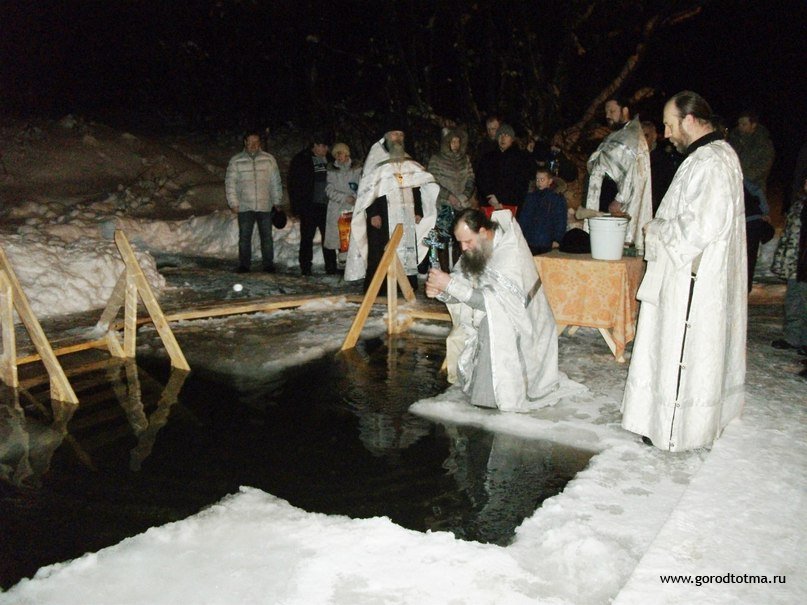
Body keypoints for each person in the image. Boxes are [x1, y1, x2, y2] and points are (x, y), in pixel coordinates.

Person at [621, 90, 746, 452]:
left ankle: (674, 428)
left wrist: (657, 230)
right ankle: (664, 422)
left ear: (690, 120)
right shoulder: (710, 156)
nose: (666, 133)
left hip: (693, 277)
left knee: (682, 352)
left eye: (670, 124)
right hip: (688, 272)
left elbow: (701, 226)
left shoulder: (711, 162)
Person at [425, 208, 559, 411]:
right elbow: (461, 284)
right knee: (489, 320)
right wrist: (441, 291)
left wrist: (449, 285)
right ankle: (482, 388)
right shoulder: (476, 249)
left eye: (467, 241)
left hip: (527, 324)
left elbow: (498, 303)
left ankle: (492, 397)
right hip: (492, 316)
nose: (463, 248)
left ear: (483, 232)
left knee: (493, 322)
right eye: (460, 242)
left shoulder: (510, 252)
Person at [344, 125, 439, 293]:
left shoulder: (408, 160)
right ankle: (381, 288)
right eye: (394, 134)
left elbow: (416, 186)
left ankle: (405, 285)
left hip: (406, 214)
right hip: (383, 214)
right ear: (386, 137)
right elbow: (369, 190)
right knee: (382, 250)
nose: (398, 138)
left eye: (400, 135)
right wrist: (373, 213)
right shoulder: (375, 161)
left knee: (407, 249)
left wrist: (418, 211)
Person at [583, 97, 652, 252]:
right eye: (606, 111)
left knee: (611, 245)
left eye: (612, 111)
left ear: (625, 111)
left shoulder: (632, 137)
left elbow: (633, 174)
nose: (608, 115)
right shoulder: (617, 134)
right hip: (602, 194)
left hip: (615, 198)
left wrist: (619, 199)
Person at [225, 129, 283, 273]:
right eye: (250, 142)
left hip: (265, 205)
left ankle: (268, 264)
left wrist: (277, 201)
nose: (253, 145)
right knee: (244, 238)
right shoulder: (236, 160)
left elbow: (275, 181)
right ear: (245, 142)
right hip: (245, 206)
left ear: (259, 143)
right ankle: (244, 265)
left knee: (267, 237)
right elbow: (230, 183)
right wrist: (233, 202)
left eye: (256, 142)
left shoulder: (269, 160)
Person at [427, 127, 476, 270]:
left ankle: (459, 270)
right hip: (444, 204)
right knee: (442, 239)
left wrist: (465, 195)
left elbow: (471, 178)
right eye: (452, 141)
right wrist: (449, 196)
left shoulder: (465, 159)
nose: (455, 144)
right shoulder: (436, 159)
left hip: (462, 204)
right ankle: (443, 270)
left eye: (458, 141)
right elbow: (432, 181)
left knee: (460, 239)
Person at [770, 177, 807, 361]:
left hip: (804, 264)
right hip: (795, 264)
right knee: (794, 299)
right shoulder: (799, 204)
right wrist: (783, 261)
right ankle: (793, 337)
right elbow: (790, 235)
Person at [288, 132, 334, 275]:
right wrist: (296, 206)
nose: (326, 149)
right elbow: (293, 184)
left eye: (327, 146)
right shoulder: (302, 159)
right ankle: (306, 267)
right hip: (309, 205)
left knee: (329, 237)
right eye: (323, 146)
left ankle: (331, 266)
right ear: (315, 145)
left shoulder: (330, 159)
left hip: (327, 205)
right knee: (307, 237)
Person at [475, 123, 535, 213]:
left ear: (512, 139)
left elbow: (521, 184)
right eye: (500, 135)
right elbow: (481, 179)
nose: (503, 138)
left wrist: (502, 200)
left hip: (511, 205)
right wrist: (489, 197)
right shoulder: (488, 157)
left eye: (506, 135)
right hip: (489, 204)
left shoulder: (520, 158)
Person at [324, 143, 362, 271]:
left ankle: (353, 267)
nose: (338, 156)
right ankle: (341, 266)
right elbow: (329, 190)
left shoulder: (357, 169)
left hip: (353, 208)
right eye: (336, 154)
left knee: (352, 239)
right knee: (340, 239)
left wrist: (355, 197)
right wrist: (344, 197)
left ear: (347, 153)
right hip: (337, 209)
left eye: (340, 153)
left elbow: (361, 186)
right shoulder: (332, 170)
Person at [518, 167, 567, 255]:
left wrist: (557, 239)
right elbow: (524, 217)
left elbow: (560, 219)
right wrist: (520, 234)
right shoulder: (531, 197)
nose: (539, 182)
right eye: (537, 180)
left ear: (550, 181)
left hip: (547, 240)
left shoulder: (556, 198)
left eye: (542, 180)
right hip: (530, 239)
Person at [728, 110, 775, 196]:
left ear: (753, 125)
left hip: (754, 187)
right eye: (739, 124)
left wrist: (742, 176)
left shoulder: (763, 143)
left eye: (744, 124)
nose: (740, 127)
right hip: (732, 185)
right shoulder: (733, 139)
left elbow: (764, 166)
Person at [641, 119, 683, 216]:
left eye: (646, 136)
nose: (642, 140)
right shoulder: (634, 158)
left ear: (654, 137)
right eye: (639, 136)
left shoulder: (663, 160)